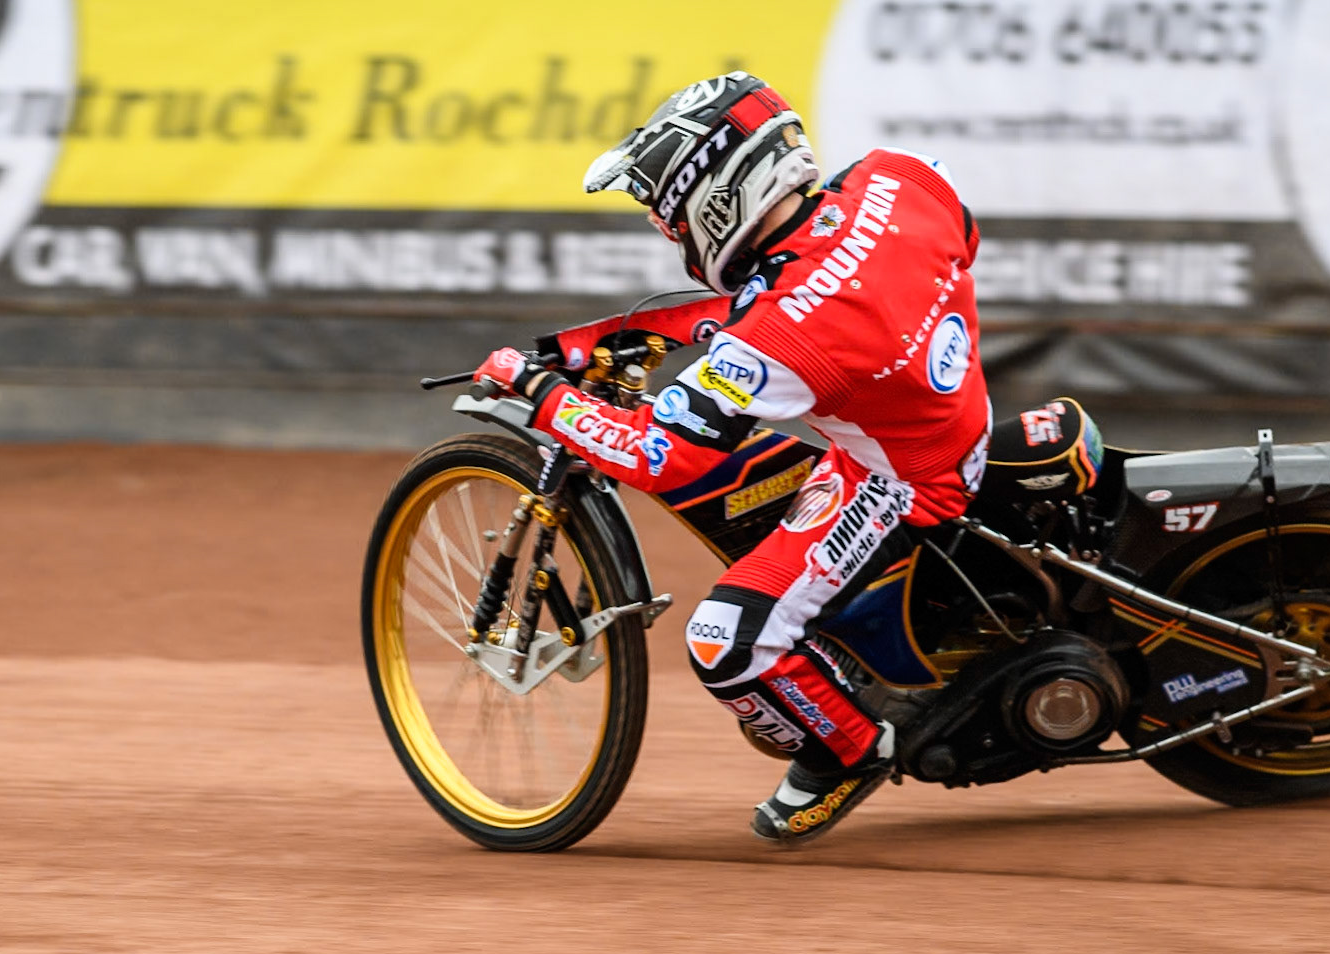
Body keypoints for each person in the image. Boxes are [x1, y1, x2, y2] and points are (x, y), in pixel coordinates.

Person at [472, 71, 1104, 844]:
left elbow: (662, 456)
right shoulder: (899, 177)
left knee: (723, 641)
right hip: (948, 423)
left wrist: (539, 392)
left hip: (899, 483)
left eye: (668, 216)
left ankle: (851, 751)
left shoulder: (773, 342)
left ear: (715, 199)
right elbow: (904, 258)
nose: (670, 234)